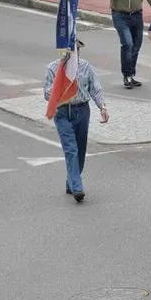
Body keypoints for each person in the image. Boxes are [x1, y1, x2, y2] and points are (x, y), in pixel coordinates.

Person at [43, 40, 109, 203]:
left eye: (77, 51)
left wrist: (102, 106)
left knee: (80, 149)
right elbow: (46, 93)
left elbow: (95, 88)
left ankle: (71, 181)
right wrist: (61, 83)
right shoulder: (53, 68)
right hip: (63, 112)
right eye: (71, 51)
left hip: (82, 110)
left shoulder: (86, 67)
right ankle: (77, 187)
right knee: (71, 149)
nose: (75, 54)